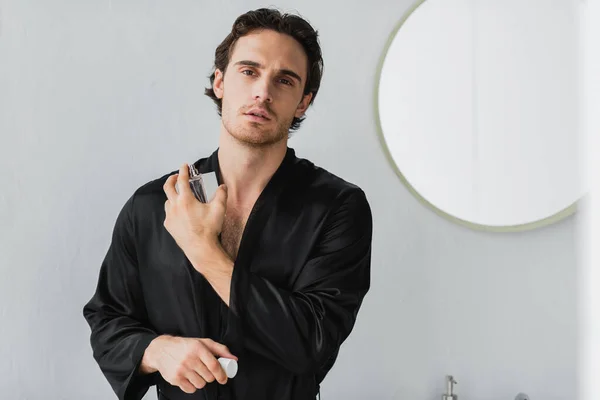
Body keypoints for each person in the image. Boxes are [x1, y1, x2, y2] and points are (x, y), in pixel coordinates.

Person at [83, 7, 373, 400]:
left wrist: (203, 252)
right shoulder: (153, 204)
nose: (263, 92)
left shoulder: (337, 207)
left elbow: (314, 343)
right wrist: (156, 351)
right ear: (220, 81)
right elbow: (107, 320)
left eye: (284, 80)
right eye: (249, 71)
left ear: (303, 102)